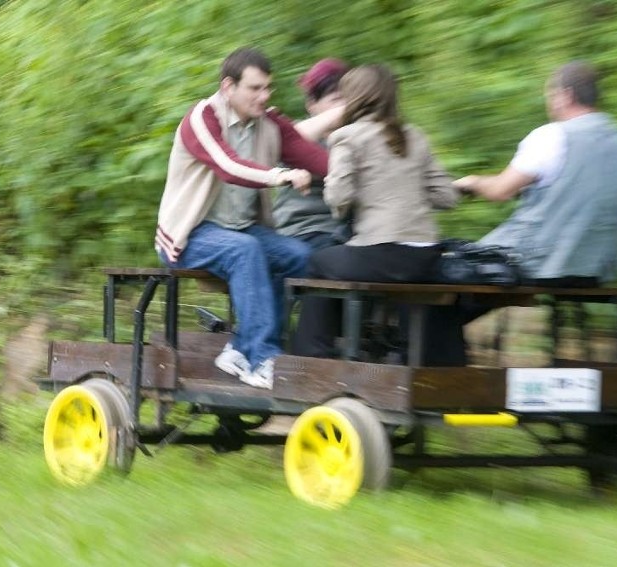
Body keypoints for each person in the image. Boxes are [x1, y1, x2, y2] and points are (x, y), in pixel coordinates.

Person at [428, 60, 617, 366]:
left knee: (436, 283)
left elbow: (500, 190)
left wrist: (472, 182)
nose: (549, 102)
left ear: (564, 95)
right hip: (594, 266)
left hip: (537, 259)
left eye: (550, 94)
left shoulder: (553, 136)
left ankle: (443, 374)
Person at [155, 47, 331, 389]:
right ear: (228, 87)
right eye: (255, 88)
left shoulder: (270, 124)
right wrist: (279, 175)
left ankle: (240, 347)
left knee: (301, 258)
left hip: (240, 229)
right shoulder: (202, 118)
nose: (264, 96)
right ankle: (261, 358)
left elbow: (318, 160)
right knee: (245, 250)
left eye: (268, 88)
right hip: (189, 234)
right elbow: (228, 166)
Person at [292, 64, 459, 358]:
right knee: (395, 281)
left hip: (381, 253)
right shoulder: (415, 135)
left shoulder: (348, 136)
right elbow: (447, 197)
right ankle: (405, 352)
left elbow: (338, 198)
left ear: (354, 97)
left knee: (318, 262)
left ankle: (312, 354)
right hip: (425, 256)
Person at [273, 58, 350, 251]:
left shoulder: (356, 136)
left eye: (349, 99)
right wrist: (341, 112)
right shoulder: (297, 133)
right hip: (305, 230)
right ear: (311, 105)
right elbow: (290, 139)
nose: (345, 106)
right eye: (336, 100)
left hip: (349, 232)